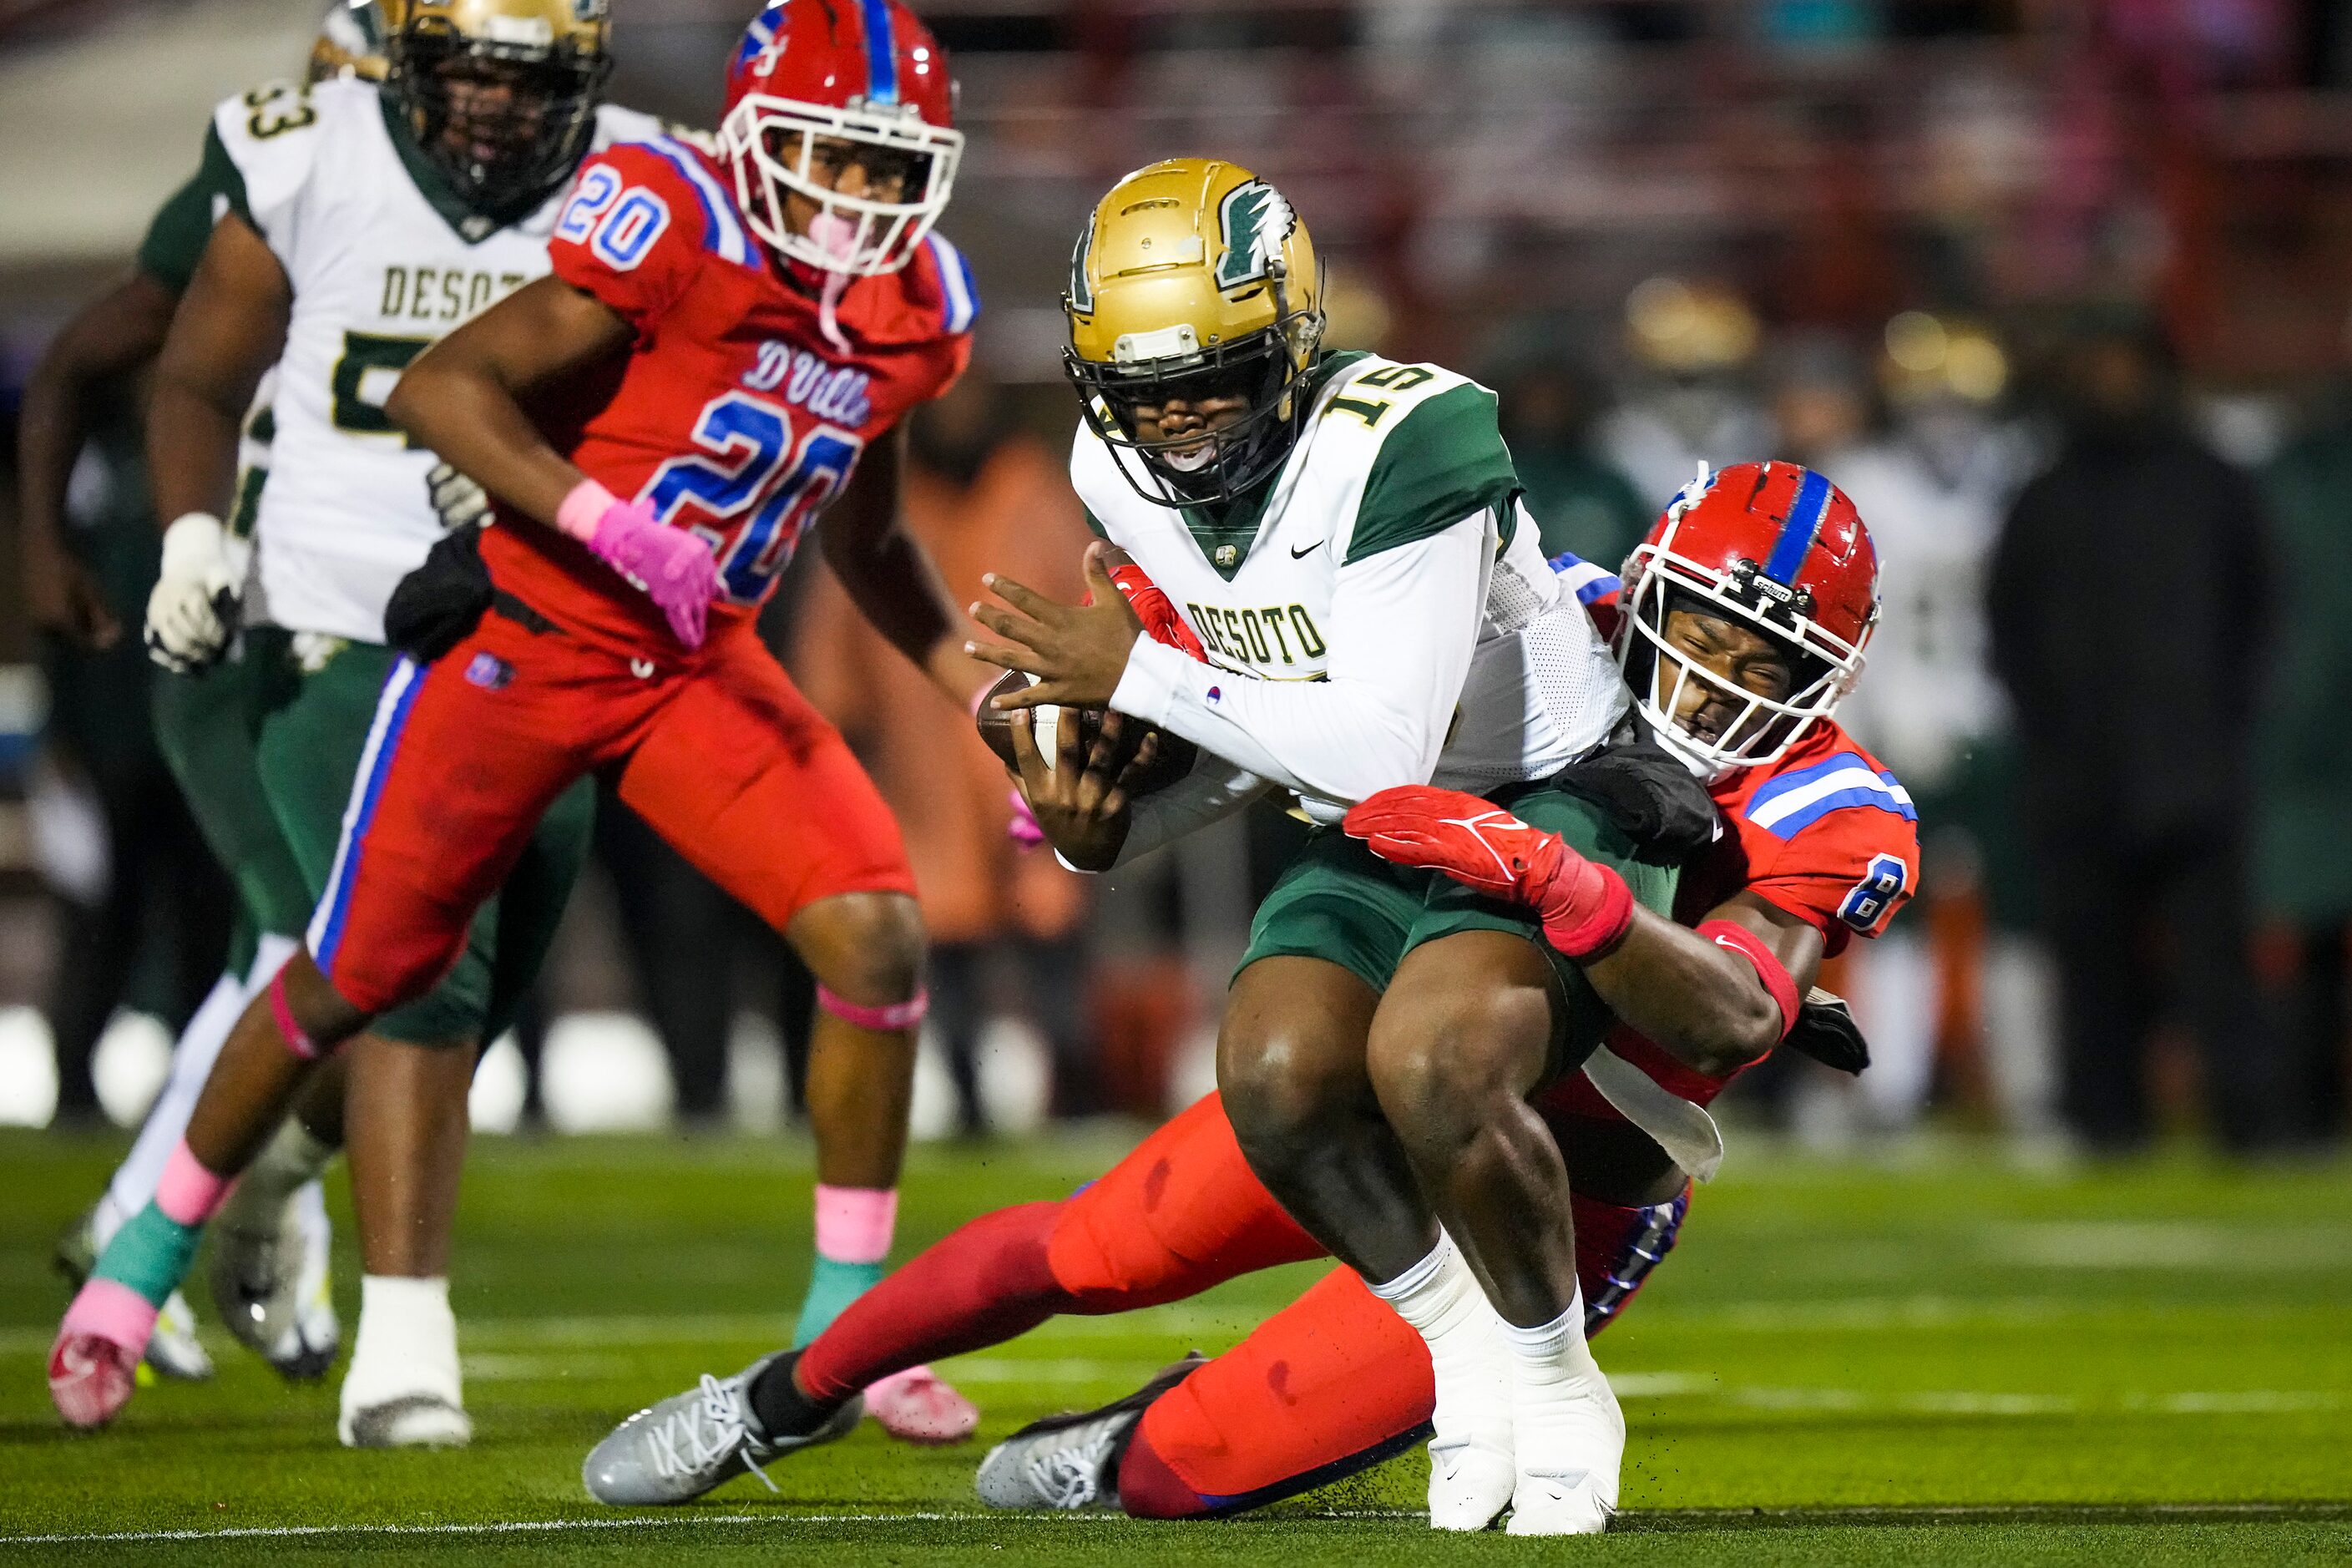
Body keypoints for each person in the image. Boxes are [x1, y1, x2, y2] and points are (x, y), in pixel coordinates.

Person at [588, 158, 1656, 1537]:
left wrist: (1136, 673)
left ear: (1294, 335)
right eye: (1149, 390)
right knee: (1269, 1073)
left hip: (1539, 806)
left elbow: (1377, 745)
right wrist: (1115, 828)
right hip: (1372, 824)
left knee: (1427, 1057)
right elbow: (1269, 722)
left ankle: (1549, 1374)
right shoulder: (1114, 467)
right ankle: (1458, 1348)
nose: (1183, 416)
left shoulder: (1406, 436)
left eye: (1213, 374)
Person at [577, 462, 1916, 1528]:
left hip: (1562, 1191)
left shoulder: (1830, 804)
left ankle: (1120, 1436)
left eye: (1766, 665)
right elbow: (1311, 634)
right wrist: (1148, 658)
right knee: (1089, 1248)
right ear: (1646, 582)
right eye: (1700, 627)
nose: (1716, 682)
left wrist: (1571, 883)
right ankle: (776, 1396)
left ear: (1832, 682)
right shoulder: (1547, 624)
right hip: (1372, 1090)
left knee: (1176, 1474)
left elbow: (1735, 1011)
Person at [50, 0, 986, 1446]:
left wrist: (985, 697)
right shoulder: (676, 216)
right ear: (754, 142)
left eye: (886, 165)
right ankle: (134, 1265)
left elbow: (868, 538)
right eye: (829, 157)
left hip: (691, 660)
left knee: (875, 931)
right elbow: (445, 384)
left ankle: (850, 1330)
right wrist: (604, 519)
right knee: (354, 970)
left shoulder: (915, 305)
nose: (861, 196)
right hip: (527, 636)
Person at [48, 0, 653, 1444]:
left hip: (533, 634)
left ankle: (271, 1164)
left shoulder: (636, 177)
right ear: (406, 57)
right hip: (327, 626)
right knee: (410, 969)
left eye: (532, 78)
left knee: (466, 1002)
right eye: (472, 72)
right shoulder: (306, 149)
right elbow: (189, 371)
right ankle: (396, 1348)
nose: (501, 110)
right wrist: (192, 536)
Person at [23, 1, 388, 1384]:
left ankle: (188, 1222)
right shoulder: (269, 203)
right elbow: (77, 361)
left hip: (342, 638)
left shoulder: (453, 240)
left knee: (301, 944)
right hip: (226, 629)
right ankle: (173, 1230)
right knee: (312, 934)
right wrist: (47, 543)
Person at [1987, 318, 2287, 1154]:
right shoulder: (2046, 493)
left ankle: (2251, 1120)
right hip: (2078, 773)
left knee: (2218, 963)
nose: (2112, 385)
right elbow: (2009, 626)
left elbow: (2259, 613)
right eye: (2097, 368)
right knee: (2093, 964)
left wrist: (2226, 727)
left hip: (2194, 768)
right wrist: (2047, 735)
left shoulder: (2212, 485)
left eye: (2127, 367)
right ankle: (2106, 1119)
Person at [792, 369, 1100, 1130]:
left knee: (1052, 936)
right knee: (947, 944)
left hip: (1037, 754)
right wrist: (836, 727)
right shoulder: (885, 507)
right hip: (920, 761)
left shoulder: (1033, 492)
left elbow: (1098, 610)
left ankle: (1073, 1096)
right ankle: (968, 1105)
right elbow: (832, 644)